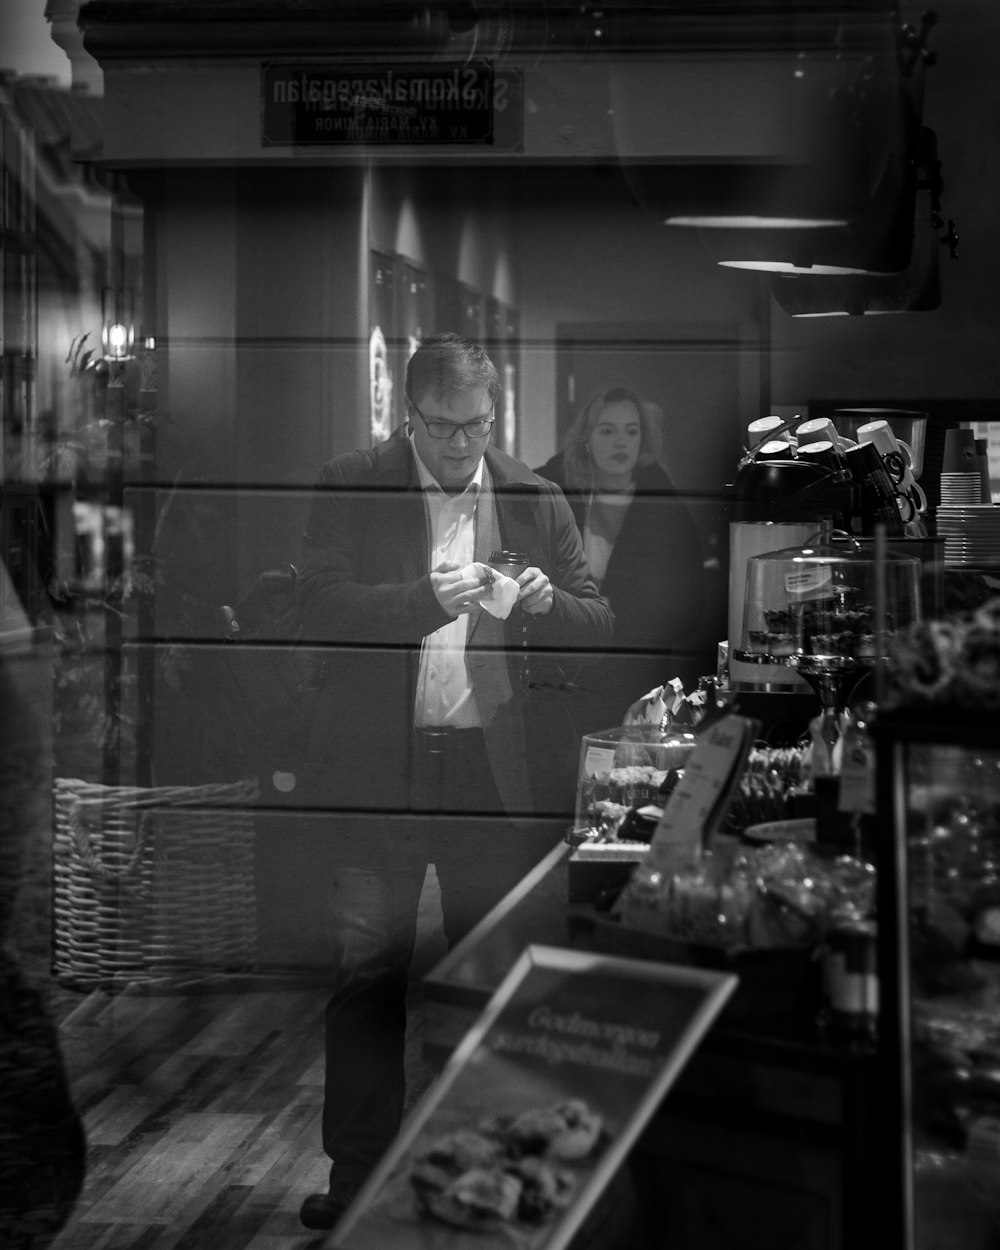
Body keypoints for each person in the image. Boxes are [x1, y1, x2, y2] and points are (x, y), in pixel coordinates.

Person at [295, 333, 613, 1230]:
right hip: (374, 769)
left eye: (476, 426)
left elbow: (600, 619)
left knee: (487, 980)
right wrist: (428, 599)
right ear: (409, 415)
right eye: (443, 428)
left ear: (493, 415)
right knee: (367, 980)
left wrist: (551, 605)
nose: (462, 446)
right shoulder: (351, 483)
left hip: (490, 775)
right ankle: (357, 1179)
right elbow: (319, 607)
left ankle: (480, 1170)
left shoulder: (531, 494)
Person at [535, 386, 706, 734]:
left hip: (636, 678)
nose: (621, 442)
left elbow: (689, 605)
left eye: (632, 431)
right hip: (565, 673)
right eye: (607, 430)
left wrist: (626, 616)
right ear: (586, 437)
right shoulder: (553, 491)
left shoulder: (665, 507)